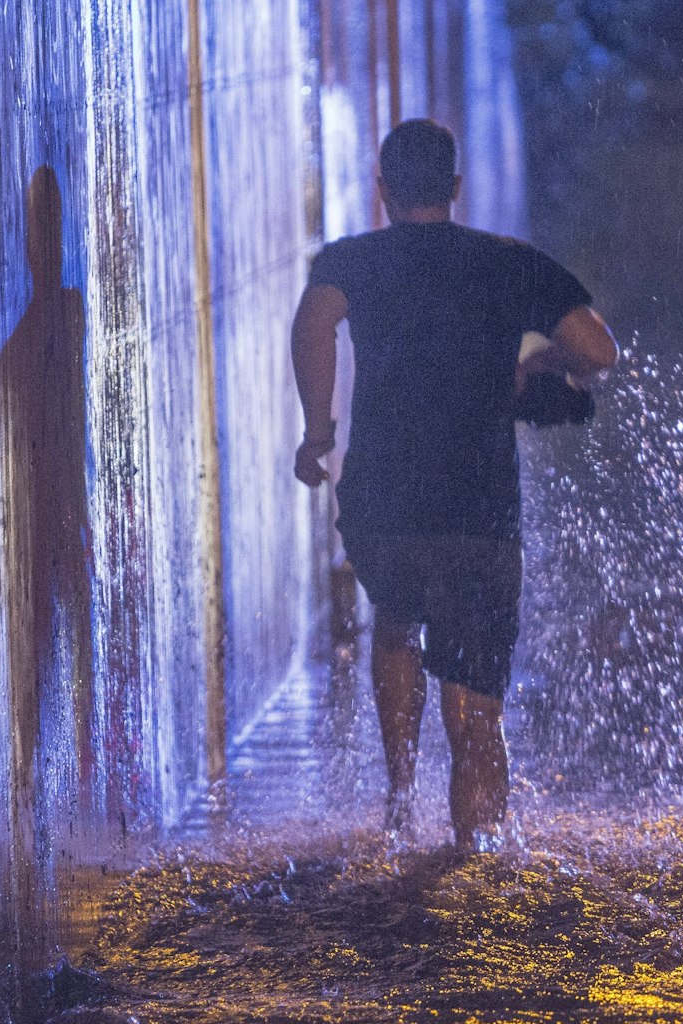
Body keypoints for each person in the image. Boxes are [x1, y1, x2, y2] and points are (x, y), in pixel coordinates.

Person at [290, 119, 617, 850]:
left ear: (382, 191)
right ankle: (475, 863)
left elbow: (314, 322)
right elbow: (598, 349)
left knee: (398, 617)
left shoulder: (354, 260)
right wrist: (534, 368)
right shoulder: (508, 263)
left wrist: (318, 435)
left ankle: (401, 801)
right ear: (457, 189)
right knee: (476, 712)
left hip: (385, 503)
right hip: (480, 512)